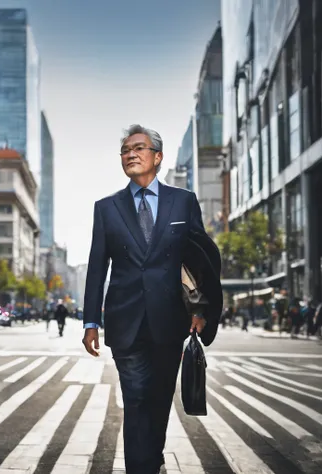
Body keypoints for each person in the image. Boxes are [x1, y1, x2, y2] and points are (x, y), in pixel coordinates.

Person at [81, 125, 222, 474]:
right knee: (136, 399)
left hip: (170, 320)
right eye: (125, 150)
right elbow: (97, 267)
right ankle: (141, 468)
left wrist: (201, 309)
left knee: (159, 400)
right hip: (125, 321)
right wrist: (90, 321)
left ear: (157, 157)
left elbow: (198, 260)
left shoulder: (183, 201)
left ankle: (151, 458)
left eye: (139, 148)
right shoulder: (107, 208)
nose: (130, 154)